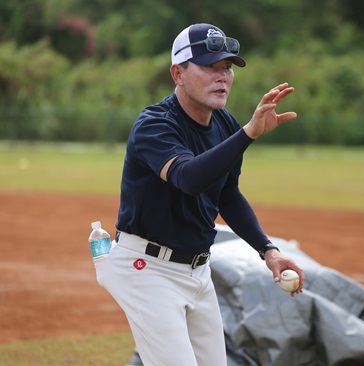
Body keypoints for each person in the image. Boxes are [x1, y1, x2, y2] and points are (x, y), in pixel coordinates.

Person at [96, 23, 305, 366]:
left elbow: (228, 196)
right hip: (146, 269)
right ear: (178, 73)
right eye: (209, 66)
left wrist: (268, 250)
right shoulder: (154, 124)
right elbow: (188, 178)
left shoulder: (225, 125)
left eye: (226, 67)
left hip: (197, 271)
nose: (221, 76)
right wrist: (250, 133)